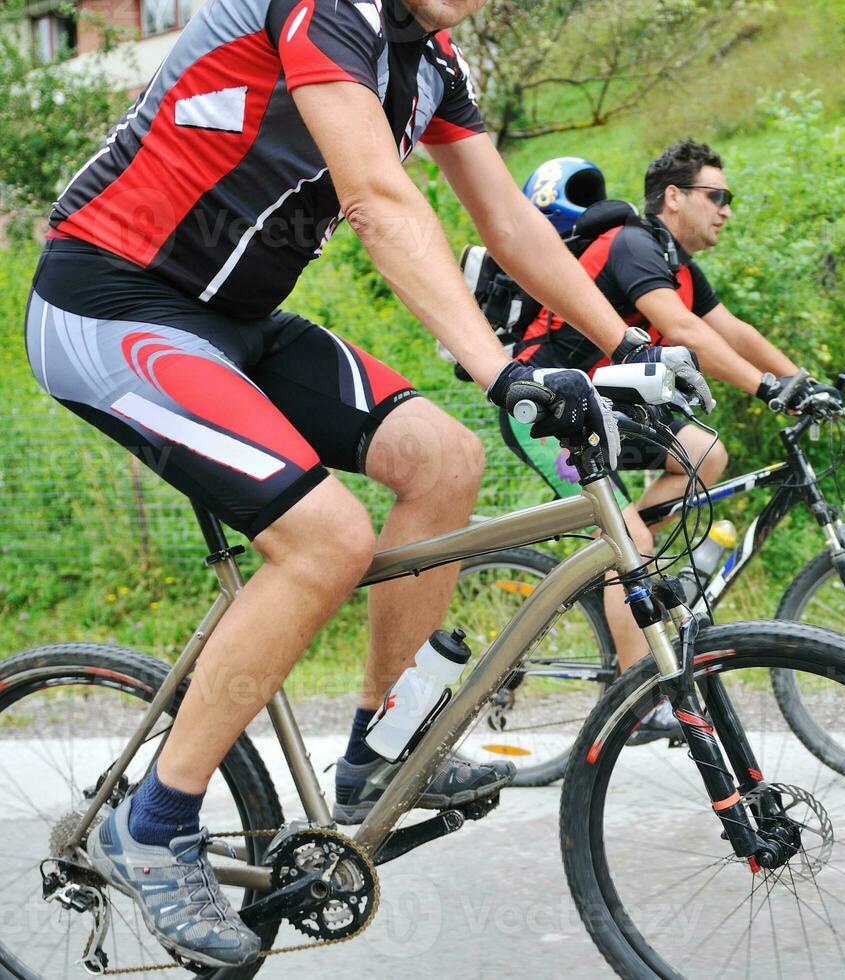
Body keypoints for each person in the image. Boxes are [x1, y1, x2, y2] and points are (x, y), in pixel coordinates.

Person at [25, 0, 706, 967]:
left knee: (445, 459)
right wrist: (500, 371)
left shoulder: (432, 58)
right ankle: (153, 819)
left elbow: (508, 218)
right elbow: (379, 199)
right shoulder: (326, 10)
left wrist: (627, 341)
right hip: (110, 303)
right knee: (327, 540)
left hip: (240, 323)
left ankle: (381, 744)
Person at [487, 140, 817, 737]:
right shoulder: (633, 244)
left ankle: (612, 567)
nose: (726, 209)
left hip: (600, 405)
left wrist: (802, 381)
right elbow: (682, 329)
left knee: (704, 453)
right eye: (717, 196)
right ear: (674, 197)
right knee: (633, 546)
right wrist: (766, 389)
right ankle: (635, 696)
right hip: (544, 404)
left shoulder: (677, 265)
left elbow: (730, 329)